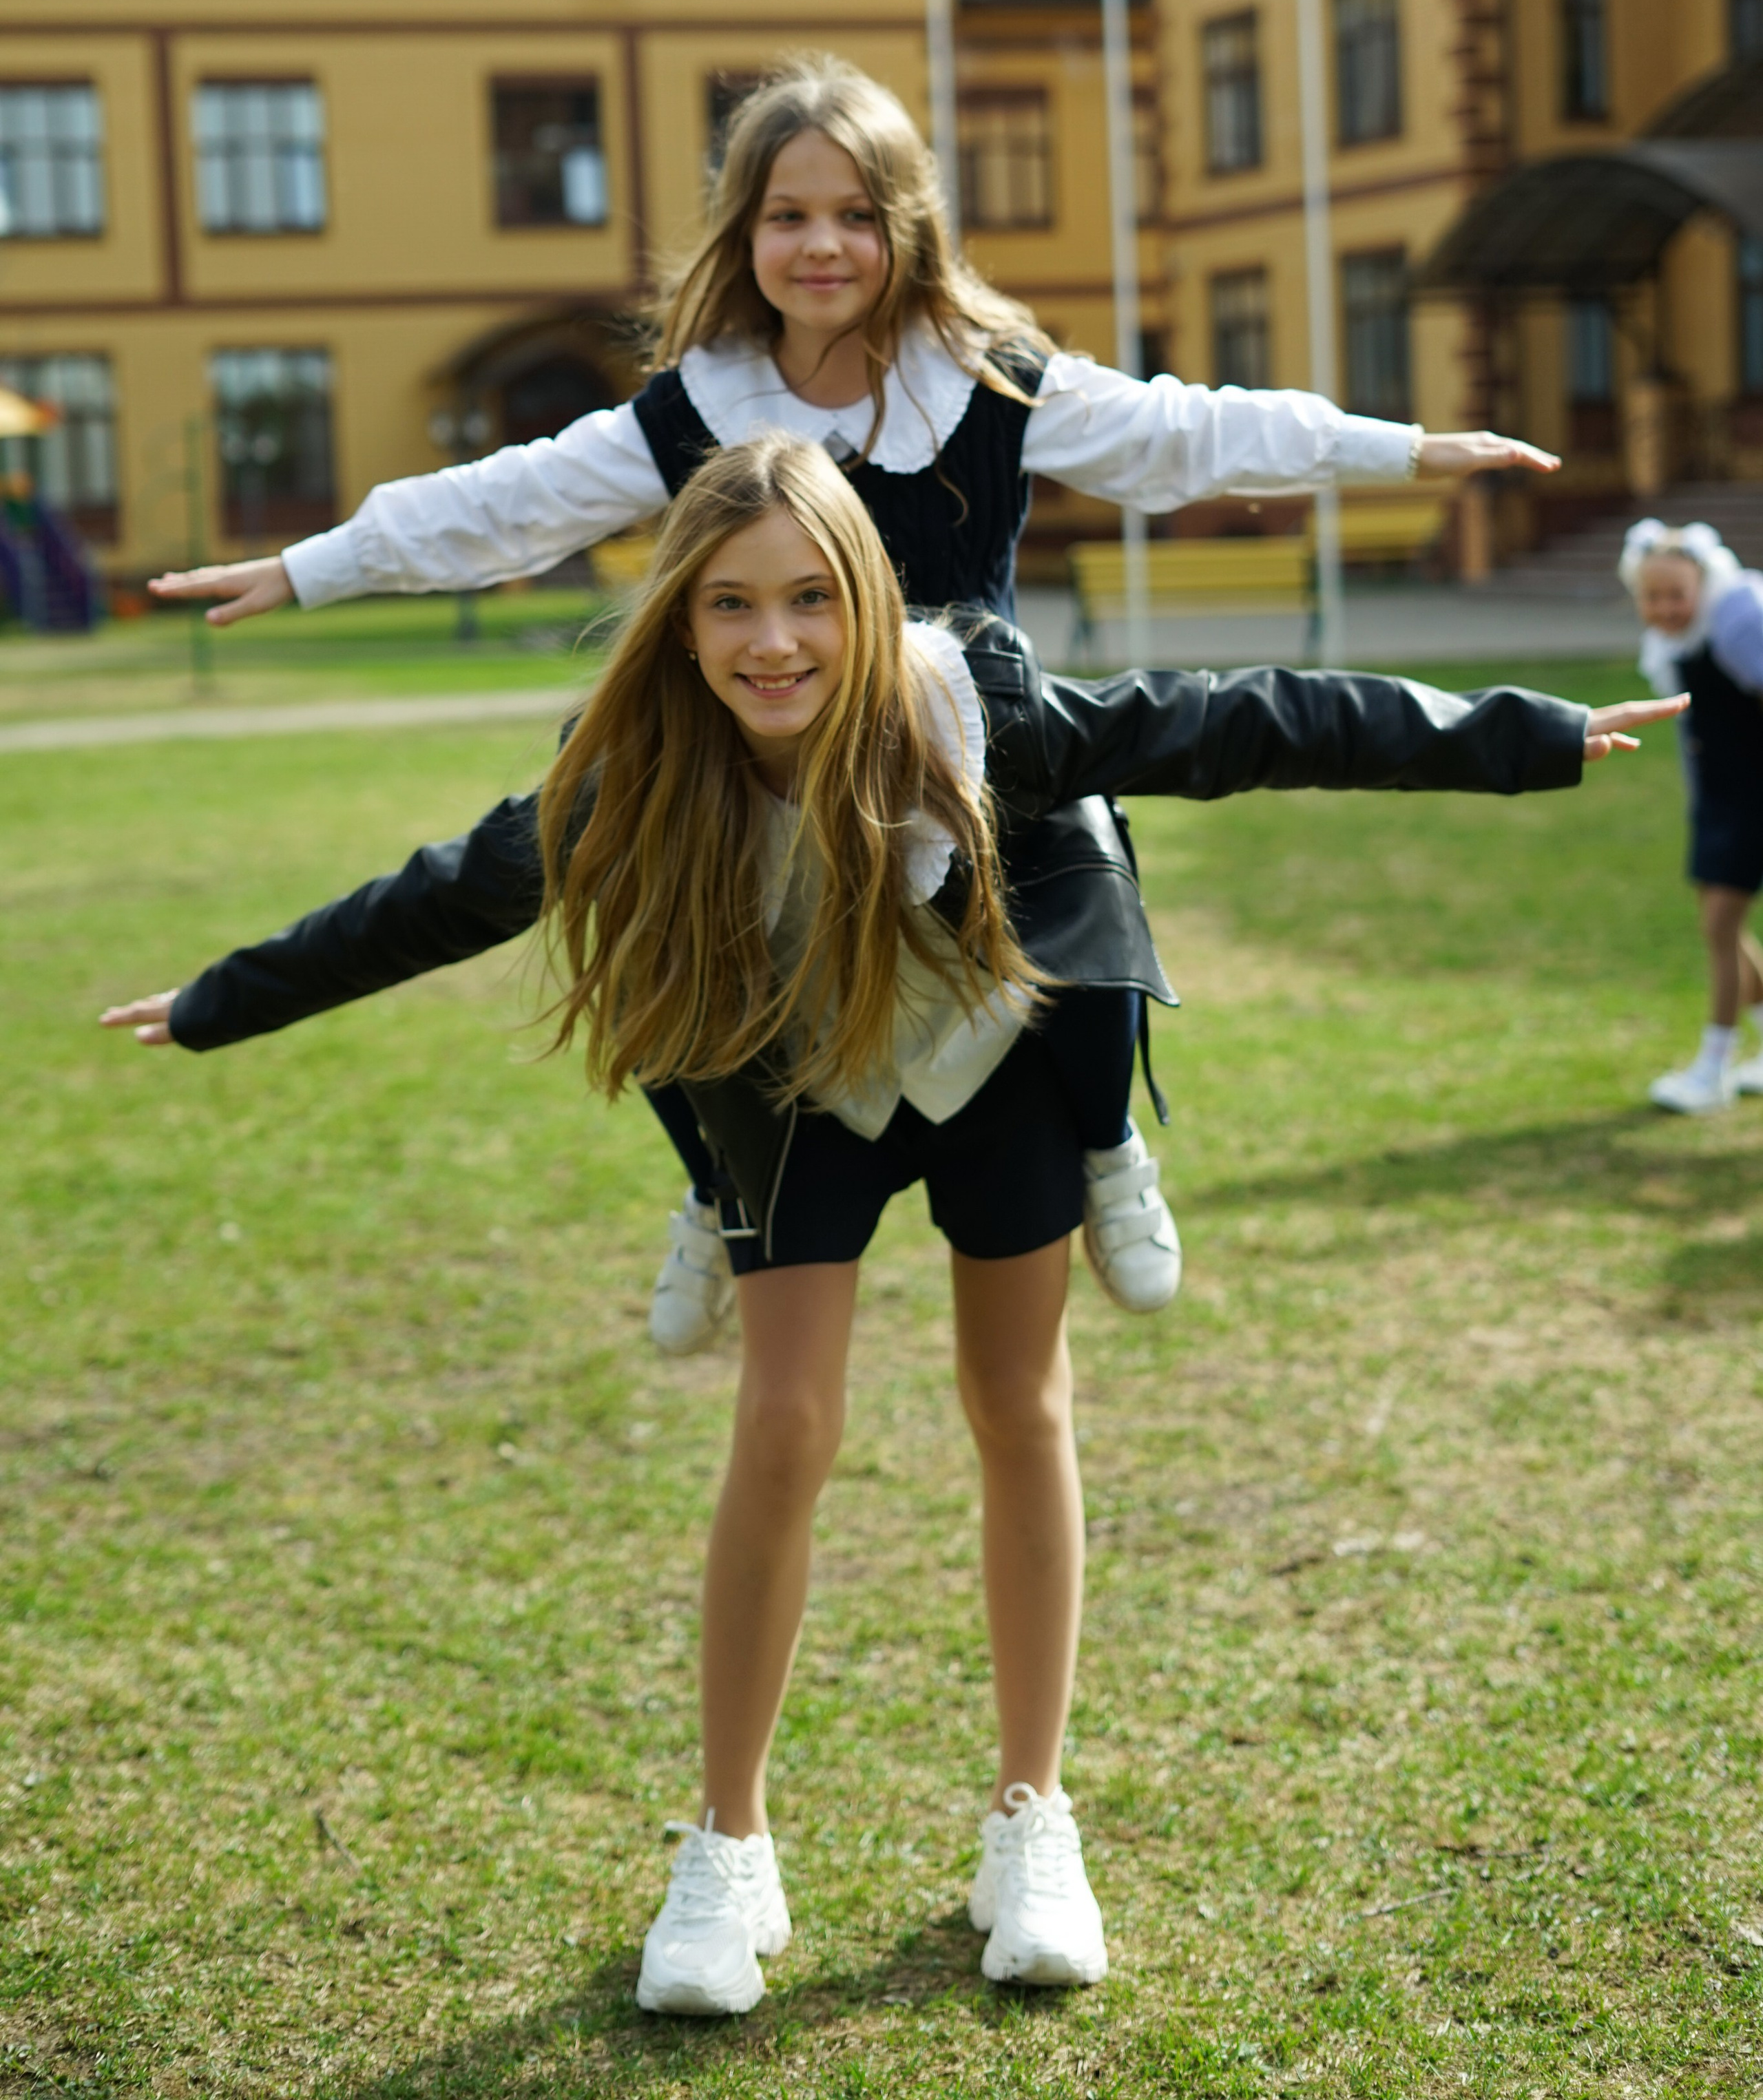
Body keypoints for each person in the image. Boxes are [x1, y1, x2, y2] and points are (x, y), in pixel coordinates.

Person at [106, 435, 1680, 2013]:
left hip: (989, 1055)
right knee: (781, 1420)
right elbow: (440, 895)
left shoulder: (968, 704)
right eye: (728, 605)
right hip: (791, 1080)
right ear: (680, 619)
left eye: (807, 598)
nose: (772, 639)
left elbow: (1233, 720)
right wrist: (228, 997)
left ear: (864, 600)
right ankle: (726, 1845)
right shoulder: (629, 766)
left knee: (1018, 1402)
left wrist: (1518, 734)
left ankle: (1029, 1817)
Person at [145, 56, 1561, 1358]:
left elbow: (1178, 431)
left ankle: (1110, 1140)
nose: (819, 245)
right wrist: (310, 565)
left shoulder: (987, 379)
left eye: (852, 213)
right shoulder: (695, 407)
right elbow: (508, 499)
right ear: (742, 236)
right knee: (666, 939)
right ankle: (718, 1189)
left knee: (1085, 876)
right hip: (759, 759)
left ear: (907, 227)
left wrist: (1402, 450)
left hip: (975, 750)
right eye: (785, 215)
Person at [1619, 517, 1763, 1112]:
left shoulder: (1737, 624)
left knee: (1719, 926)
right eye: (1653, 597)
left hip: (1752, 797)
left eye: (1677, 595)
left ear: (1701, 586)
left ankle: (1712, 1068)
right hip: (1721, 800)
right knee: (1723, 926)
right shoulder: (1678, 644)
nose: (1667, 607)